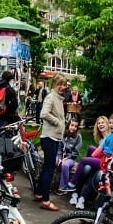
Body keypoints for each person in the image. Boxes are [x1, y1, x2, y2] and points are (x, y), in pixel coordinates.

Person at [35, 74, 67, 211]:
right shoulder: (51, 97)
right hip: (49, 137)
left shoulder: (59, 98)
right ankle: (46, 201)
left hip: (53, 137)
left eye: (64, 84)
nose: (62, 87)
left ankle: (38, 192)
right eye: (60, 84)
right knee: (49, 169)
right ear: (54, 84)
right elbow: (43, 114)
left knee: (47, 167)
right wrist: (58, 122)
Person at [70, 115, 110, 209]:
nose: (100, 125)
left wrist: (91, 158)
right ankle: (75, 193)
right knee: (87, 168)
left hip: (105, 165)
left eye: (102, 122)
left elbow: (107, 154)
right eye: (99, 123)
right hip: (100, 161)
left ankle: (81, 195)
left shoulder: (110, 137)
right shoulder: (101, 138)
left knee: (86, 163)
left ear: (107, 124)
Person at [57, 118, 82, 194]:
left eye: (75, 126)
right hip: (61, 156)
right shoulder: (63, 134)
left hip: (70, 158)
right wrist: (60, 158)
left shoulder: (78, 137)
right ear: (68, 125)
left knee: (65, 165)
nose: (73, 127)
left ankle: (63, 187)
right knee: (53, 161)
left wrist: (66, 159)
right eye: (72, 125)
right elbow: (59, 148)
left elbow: (76, 152)